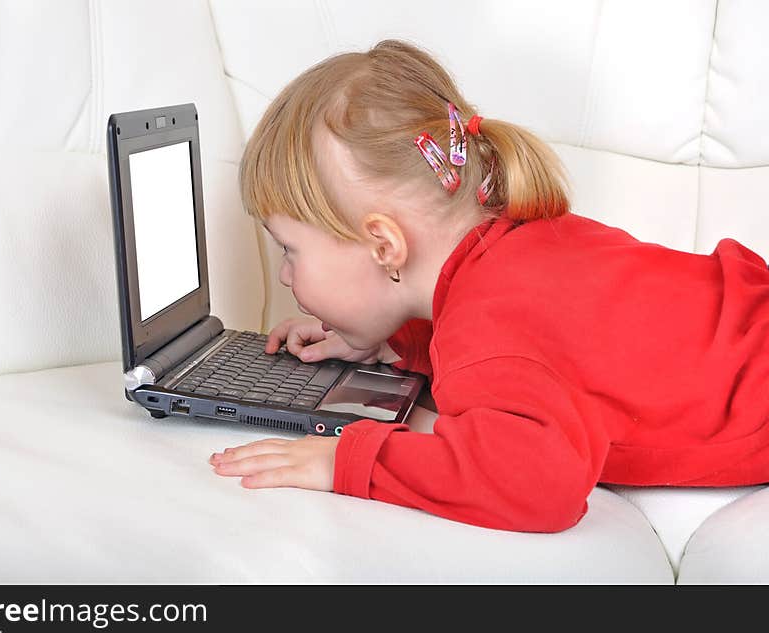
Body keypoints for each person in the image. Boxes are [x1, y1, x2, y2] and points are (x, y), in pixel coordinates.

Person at [208, 39, 769, 532]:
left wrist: (343, 462)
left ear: (383, 245)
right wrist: (388, 342)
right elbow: (540, 350)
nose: (284, 274)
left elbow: (538, 487)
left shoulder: (486, 332)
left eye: (290, 249)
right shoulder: (514, 246)